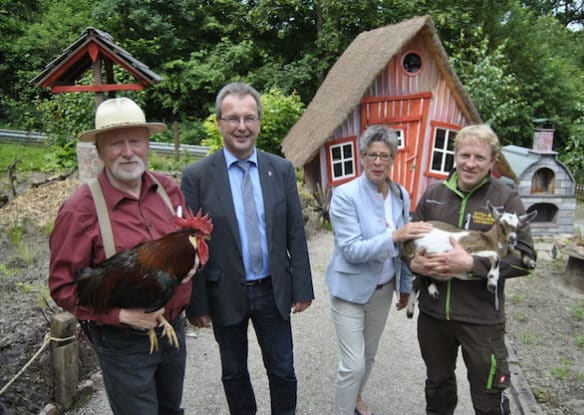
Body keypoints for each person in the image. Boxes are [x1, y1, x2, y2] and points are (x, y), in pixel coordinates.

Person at [49, 97, 192, 414]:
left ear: (147, 144)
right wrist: (120, 316)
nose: (129, 152)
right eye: (116, 144)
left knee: (171, 409)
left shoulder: (169, 191)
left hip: (173, 330)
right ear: (99, 150)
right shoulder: (79, 210)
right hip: (124, 341)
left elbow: (190, 245)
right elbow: (62, 287)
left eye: (136, 141)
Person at [180, 82, 314, 415]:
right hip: (223, 291)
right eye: (233, 118)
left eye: (249, 118)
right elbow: (190, 244)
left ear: (259, 122)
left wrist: (302, 286)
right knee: (234, 373)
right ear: (219, 123)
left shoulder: (280, 169)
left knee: (283, 370)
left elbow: (294, 232)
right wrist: (196, 303)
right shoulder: (197, 176)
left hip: (272, 288)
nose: (242, 126)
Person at [408, 124, 536, 415]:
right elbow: (408, 243)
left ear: (492, 161)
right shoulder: (433, 195)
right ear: (455, 156)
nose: (470, 163)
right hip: (434, 317)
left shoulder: (505, 200)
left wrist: (473, 265)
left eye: (479, 157)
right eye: (464, 155)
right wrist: (412, 264)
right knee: (437, 387)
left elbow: (526, 258)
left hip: (481, 321)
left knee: (488, 395)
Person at [325, 125, 432, 415]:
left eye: (385, 156)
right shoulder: (344, 195)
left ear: (393, 159)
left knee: (369, 356)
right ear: (361, 157)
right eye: (372, 154)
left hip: (383, 291)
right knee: (353, 364)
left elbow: (407, 245)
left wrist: (406, 285)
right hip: (349, 291)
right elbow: (352, 250)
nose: (378, 162)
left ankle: (356, 396)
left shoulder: (400, 195)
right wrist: (394, 236)